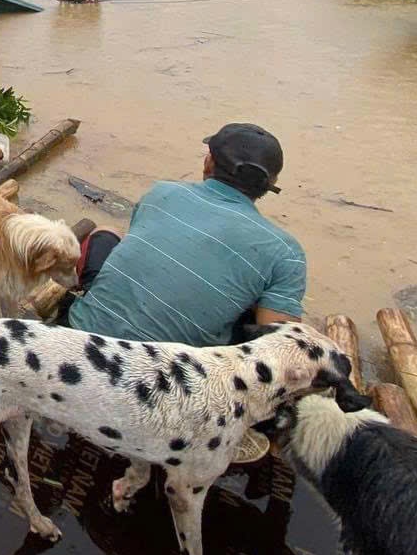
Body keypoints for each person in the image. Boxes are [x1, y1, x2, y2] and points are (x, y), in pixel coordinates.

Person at [61, 123, 304, 461]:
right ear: (269, 187)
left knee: (105, 233)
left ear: (208, 162)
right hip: (165, 392)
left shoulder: (163, 192)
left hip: (76, 349)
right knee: (265, 320)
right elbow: (277, 350)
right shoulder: (285, 252)